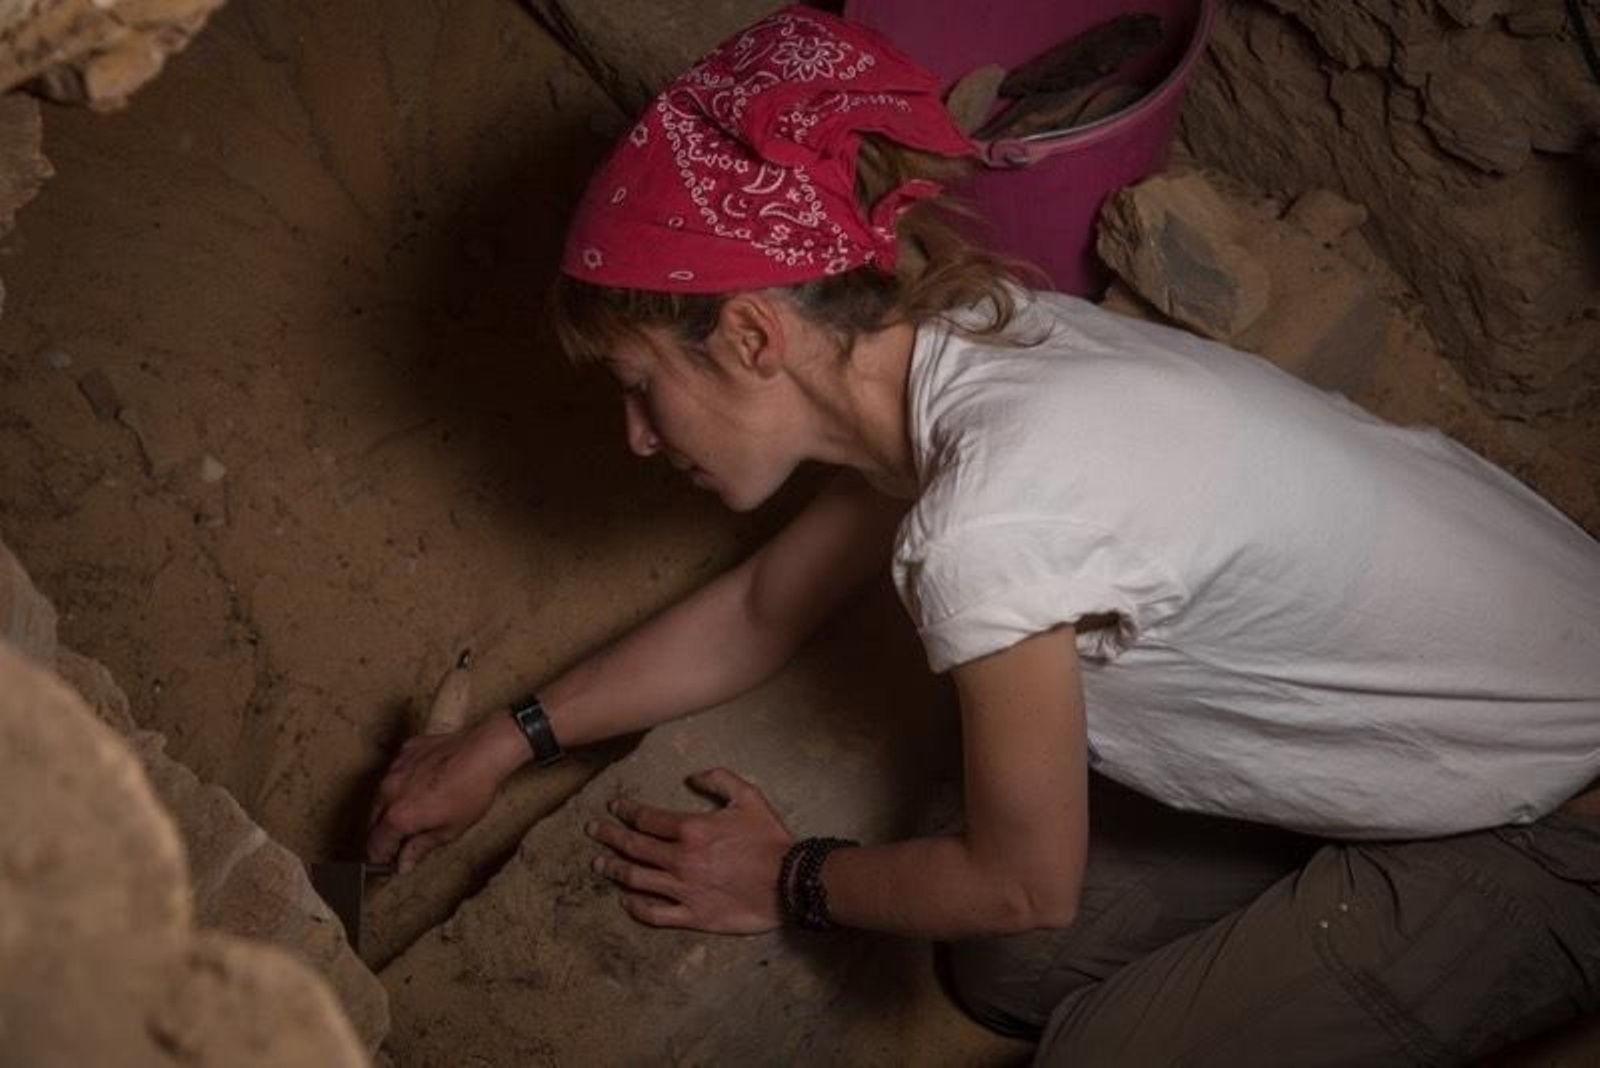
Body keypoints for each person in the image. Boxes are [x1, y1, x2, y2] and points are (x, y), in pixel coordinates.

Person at [365, 6, 1600, 1062]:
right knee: (998, 971)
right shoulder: (970, 343)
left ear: (751, 339)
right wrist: (505, 741)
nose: (638, 436)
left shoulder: (990, 517)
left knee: (1084, 1038)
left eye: (641, 386)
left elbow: (1024, 879)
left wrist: (789, 878)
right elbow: (758, 613)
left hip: (1557, 815)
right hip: (1488, 698)